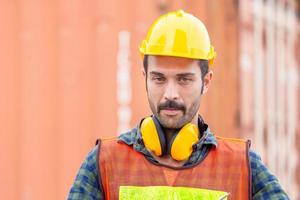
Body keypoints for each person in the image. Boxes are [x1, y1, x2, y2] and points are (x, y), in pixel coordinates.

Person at [68, 10, 289, 199]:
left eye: (184, 79)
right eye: (159, 78)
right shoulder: (105, 163)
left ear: (206, 81)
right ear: (144, 76)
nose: (170, 94)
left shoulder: (241, 167)